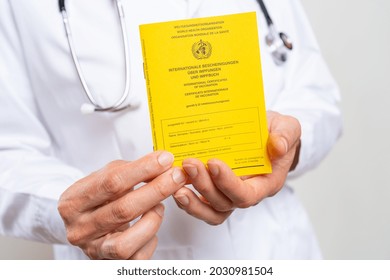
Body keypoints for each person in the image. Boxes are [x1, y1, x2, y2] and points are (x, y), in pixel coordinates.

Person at [0, 0, 342, 260]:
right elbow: (7, 153)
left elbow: (316, 93)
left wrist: (286, 146)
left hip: (270, 249)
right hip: (121, 258)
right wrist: (70, 209)